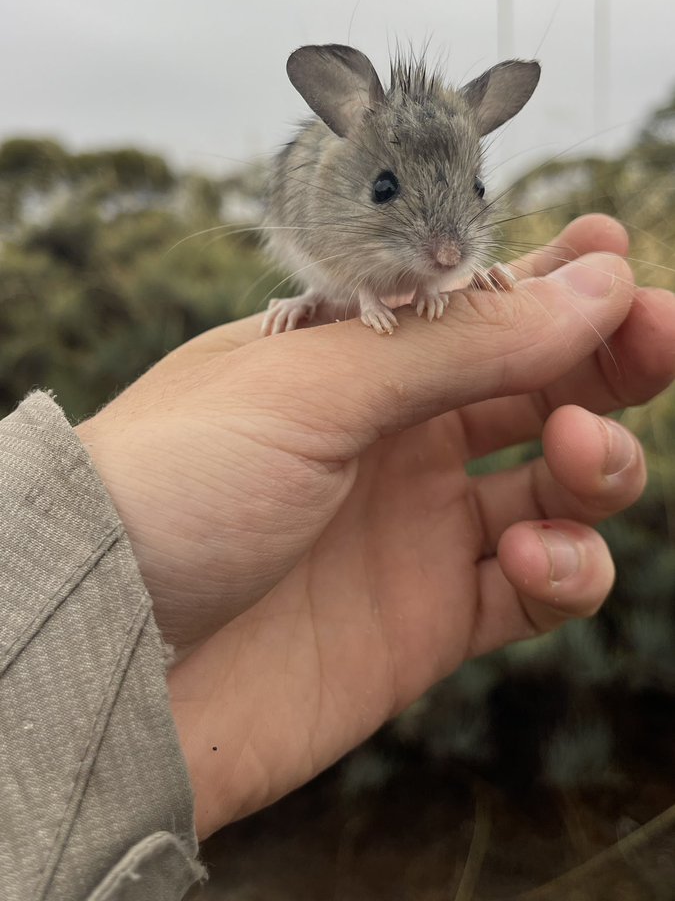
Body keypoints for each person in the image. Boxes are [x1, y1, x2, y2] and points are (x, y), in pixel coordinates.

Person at [1, 215, 674, 900]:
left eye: (470, 197)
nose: (444, 244)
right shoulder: (330, 200)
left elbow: (444, 252)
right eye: (389, 193)